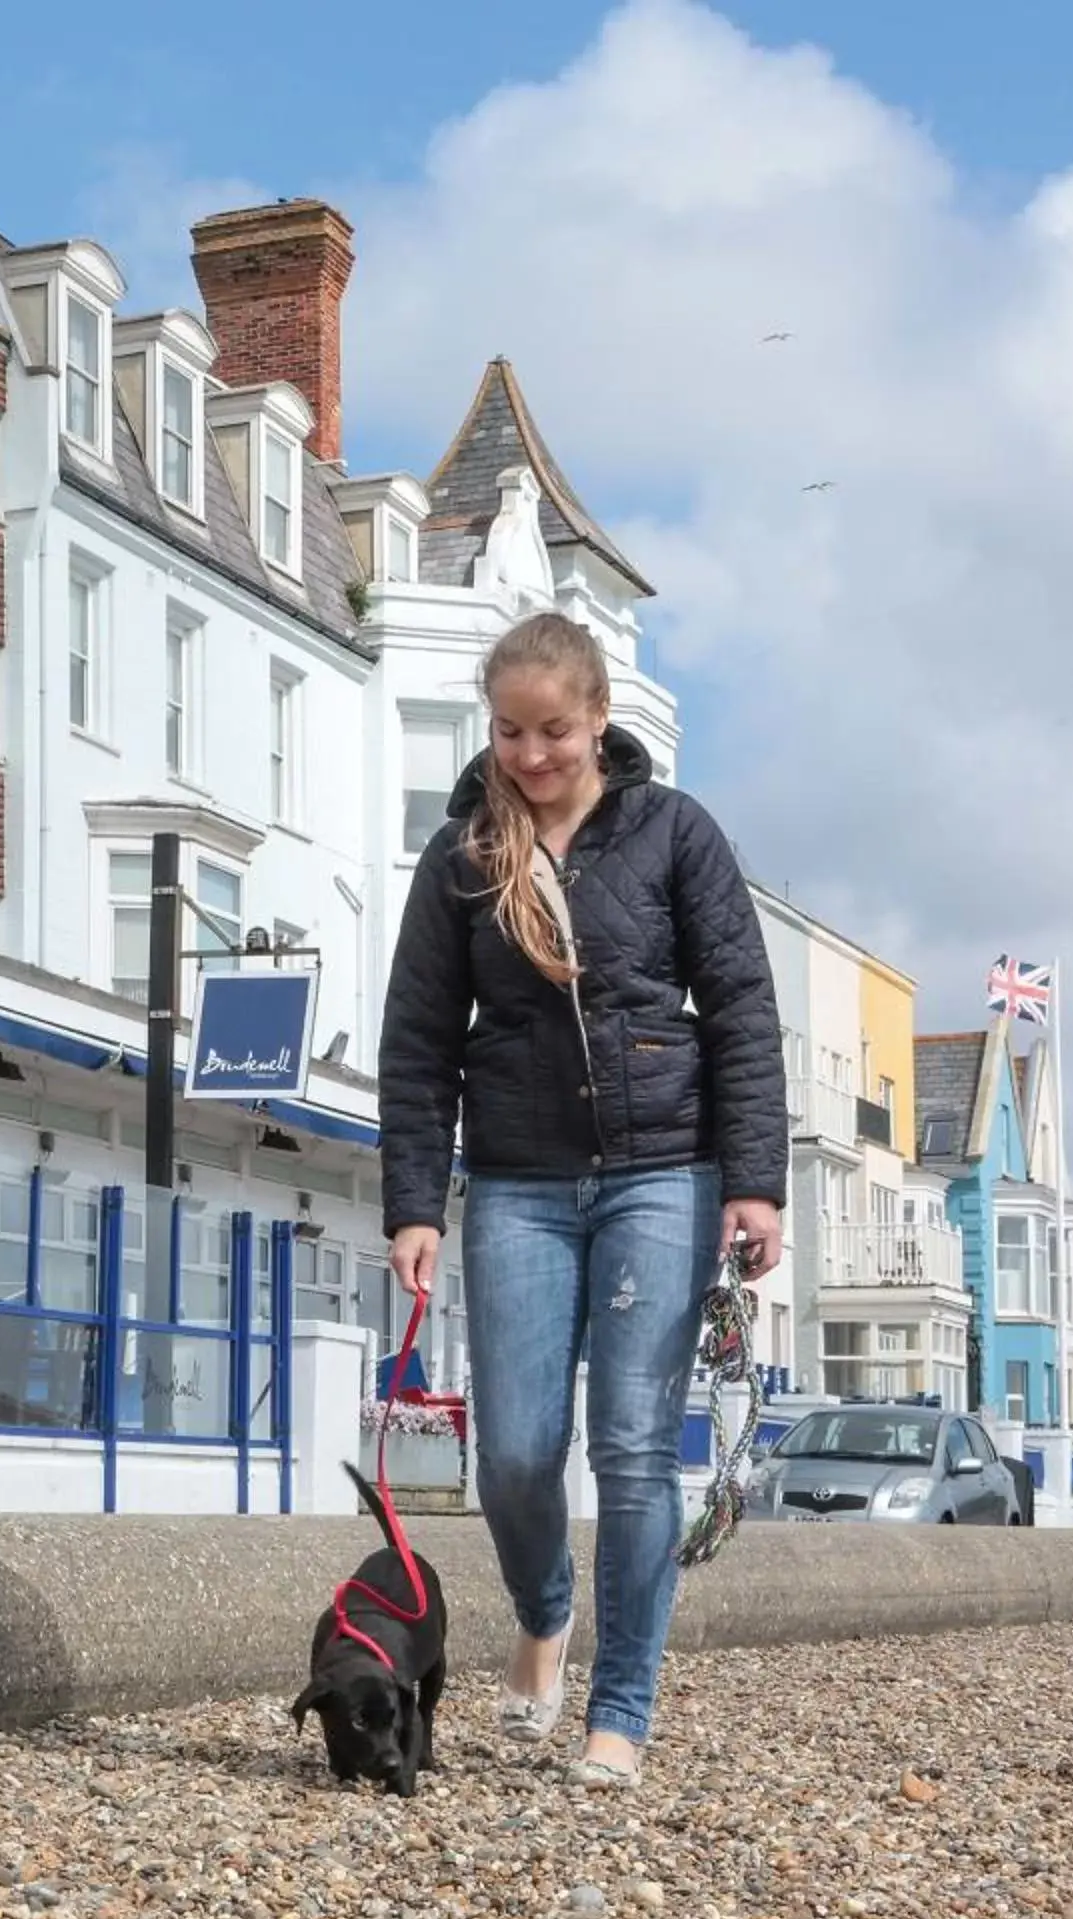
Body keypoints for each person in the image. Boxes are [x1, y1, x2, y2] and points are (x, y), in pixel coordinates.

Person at [378, 610, 786, 1791]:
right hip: (516, 1179)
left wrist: (753, 1181)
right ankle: (543, 1609)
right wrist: (415, 1200)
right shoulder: (461, 858)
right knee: (510, 1450)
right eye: (510, 731)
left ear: (599, 716)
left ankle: (621, 1708)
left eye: (554, 729)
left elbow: (743, 1008)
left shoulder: (674, 834)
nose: (532, 753)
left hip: (664, 1169)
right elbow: (417, 1039)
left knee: (634, 1448)